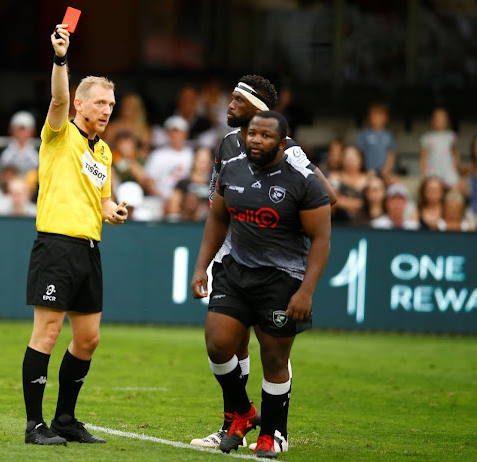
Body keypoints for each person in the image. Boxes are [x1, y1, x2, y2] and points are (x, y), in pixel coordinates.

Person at [190, 75, 337, 455]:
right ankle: (235, 420)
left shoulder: (291, 155)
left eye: (238, 99)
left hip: (276, 262)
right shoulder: (226, 146)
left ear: (260, 111)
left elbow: (327, 198)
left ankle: (273, 431)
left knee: (272, 350)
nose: (230, 104)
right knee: (226, 343)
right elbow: (217, 203)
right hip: (232, 250)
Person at [21, 24, 128, 447]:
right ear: (81, 103)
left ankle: (65, 418)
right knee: (47, 333)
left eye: (111, 104)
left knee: (88, 338)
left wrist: (114, 211)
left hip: (88, 249)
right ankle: (34, 424)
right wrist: (61, 58)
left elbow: (103, 200)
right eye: (100, 102)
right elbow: (58, 97)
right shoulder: (59, 132)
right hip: (56, 246)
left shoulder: (103, 150)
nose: (106, 110)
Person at [143, 115, 194, 203]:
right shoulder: (157, 155)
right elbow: (149, 183)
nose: (174, 135)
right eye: (171, 132)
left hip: (187, 202)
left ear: (186, 134)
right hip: (159, 201)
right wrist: (165, 199)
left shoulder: (192, 155)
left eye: (178, 132)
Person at [419, 107, 461, 189]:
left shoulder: (451, 136)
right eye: (437, 118)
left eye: (442, 118)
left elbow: (455, 153)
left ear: (447, 121)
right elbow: (423, 157)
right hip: (433, 172)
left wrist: (457, 169)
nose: (439, 120)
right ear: (432, 120)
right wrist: (423, 174)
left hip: (449, 172)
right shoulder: (427, 137)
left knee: (454, 192)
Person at [356, 102, 395, 181]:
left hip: (385, 172)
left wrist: (387, 169)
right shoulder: (365, 134)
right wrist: (365, 169)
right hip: (369, 171)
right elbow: (360, 154)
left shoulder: (388, 135)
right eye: (373, 114)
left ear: (385, 117)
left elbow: (391, 155)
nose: (375, 117)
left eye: (379, 114)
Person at [0, 111, 40, 179]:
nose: (22, 133)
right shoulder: (4, 153)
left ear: (32, 132)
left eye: (25, 130)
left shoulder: (38, 152)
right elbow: (0, 173)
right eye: (19, 129)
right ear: (11, 130)